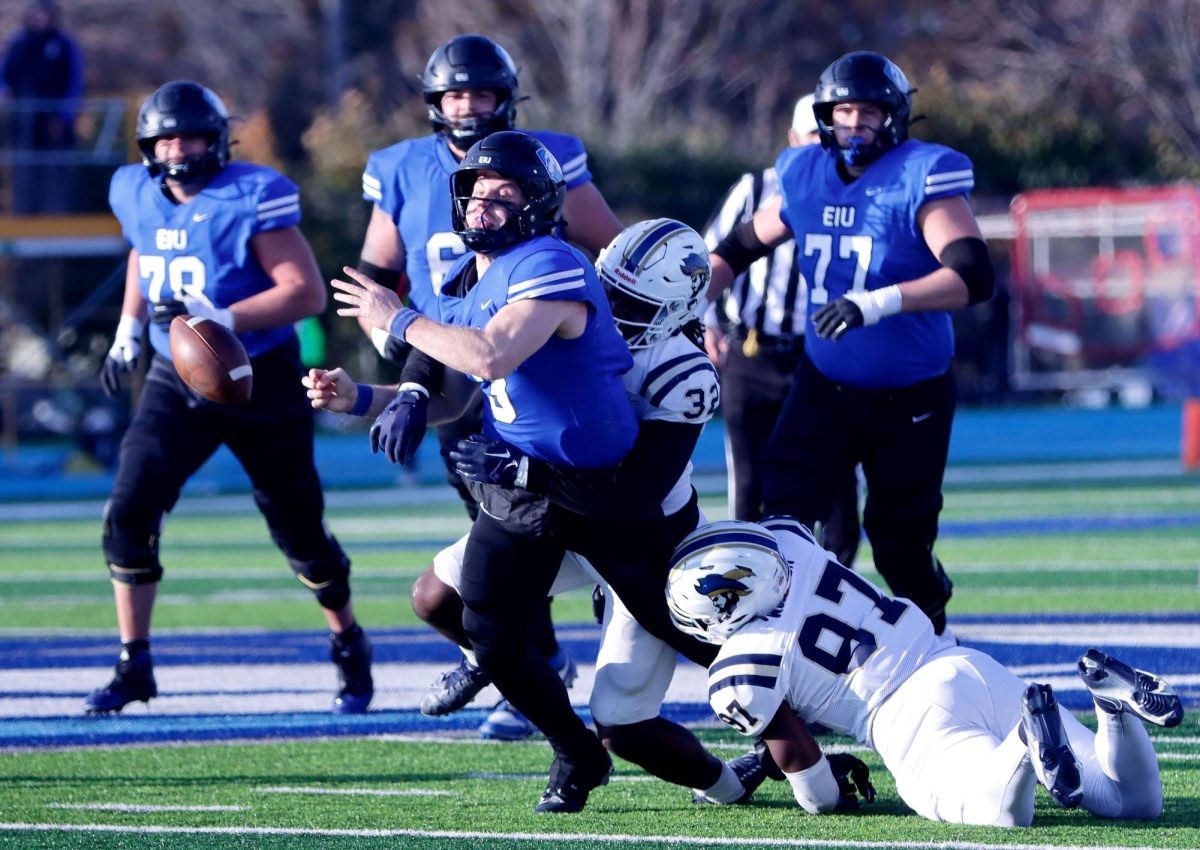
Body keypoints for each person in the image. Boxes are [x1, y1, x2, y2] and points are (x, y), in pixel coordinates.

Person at [309, 218, 769, 811]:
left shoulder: (681, 369)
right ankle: (558, 732)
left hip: (640, 537)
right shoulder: (549, 315)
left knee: (638, 709)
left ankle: (769, 760)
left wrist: (522, 469)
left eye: (628, 300)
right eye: (606, 293)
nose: (608, 309)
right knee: (443, 599)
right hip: (547, 516)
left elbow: (631, 494)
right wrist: (369, 398)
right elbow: (466, 388)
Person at [356, 33, 621, 736]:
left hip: (530, 364)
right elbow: (384, 279)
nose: (468, 107)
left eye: (479, 93)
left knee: (574, 530)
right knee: (495, 528)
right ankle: (530, 666)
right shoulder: (404, 174)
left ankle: (588, 618)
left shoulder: (550, 176)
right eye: (454, 95)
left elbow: (611, 247)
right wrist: (402, 379)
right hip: (449, 346)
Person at [87, 81, 373, 717]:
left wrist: (221, 316)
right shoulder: (133, 190)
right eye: (167, 137)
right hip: (172, 375)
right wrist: (127, 332)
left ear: (218, 139)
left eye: (191, 135)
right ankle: (134, 662)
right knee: (130, 510)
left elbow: (304, 293)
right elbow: (144, 250)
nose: (180, 148)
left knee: (297, 525)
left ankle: (347, 639)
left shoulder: (252, 193)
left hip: (259, 375)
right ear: (147, 147)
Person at [707, 52, 996, 635]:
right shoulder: (804, 172)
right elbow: (736, 249)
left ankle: (936, 631)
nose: (855, 124)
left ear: (894, 116)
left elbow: (973, 276)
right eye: (843, 111)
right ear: (824, 116)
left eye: (869, 112)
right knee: (781, 519)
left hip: (909, 394)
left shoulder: (923, 173)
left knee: (898, 549)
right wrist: (682, 305)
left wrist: (880, 301)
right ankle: (788, 651)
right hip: (826, 386)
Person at [666, 516, 1184, 824]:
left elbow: (810, 777)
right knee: (1132, 802)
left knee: (1002, 813)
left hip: (907, 721)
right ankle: (1110, 706)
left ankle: (1027, 739)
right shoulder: (790, 543)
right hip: (960, 662)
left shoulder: (742, 665)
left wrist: (824, 795)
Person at [702, 93, 860, 565]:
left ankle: (832, 589)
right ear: (793, 140)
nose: (821, 147)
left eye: (827, 137)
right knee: (749, 484)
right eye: (812, 137)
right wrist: (704, 321)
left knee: (837, 485)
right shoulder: (755, 189)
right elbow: (710, 258)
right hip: (753, 352)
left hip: (825, 356)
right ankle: (751, 595)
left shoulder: (860, 189)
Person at [0, 0, 83, 213]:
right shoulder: (19, 42)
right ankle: (22, 216)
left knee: (54, 171)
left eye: (46, 15)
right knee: (22, 170)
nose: (41, 19)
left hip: (53, 122)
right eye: (38, 15)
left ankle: (54, 218)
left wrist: (63, 118)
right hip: (24, 122)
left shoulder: (64, 44)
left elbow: (75, 83)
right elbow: (5, 76)